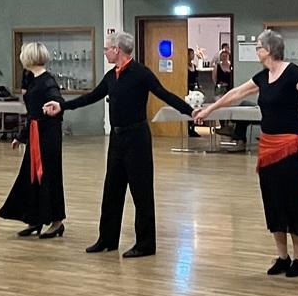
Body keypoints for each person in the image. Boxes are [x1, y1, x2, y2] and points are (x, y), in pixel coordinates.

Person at [193, 29, 298, 278]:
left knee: (294, 201)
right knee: (273, 202)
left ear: (270, 49)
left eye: (259, 46)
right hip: (269, 149)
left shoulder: (293, 72)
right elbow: (236, 93)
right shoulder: (263, 76)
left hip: (291, 149)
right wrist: (210, 109)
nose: (257, 50)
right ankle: (282, 257)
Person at [48, 31, 193, 258]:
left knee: (141, 192)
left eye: (107, 48)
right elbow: (91, 96)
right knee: (112, 190)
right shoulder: (111, 76)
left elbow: (164, 94)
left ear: (117, 50)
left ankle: (145, 245)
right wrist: (62, 106)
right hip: (117, 139)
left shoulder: (141, 73)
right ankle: (107, 239)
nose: (105, 51)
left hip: (137, 139)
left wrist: (192, 112)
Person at [0, 42, 67, 238]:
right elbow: (32, 114)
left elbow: (57, 103)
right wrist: (21, 137)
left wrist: (54, 108)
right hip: (35, 133)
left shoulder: (47, 81)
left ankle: (57, 221)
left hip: (48, 136)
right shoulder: (33, 80)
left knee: (50, 175)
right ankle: (34, 218)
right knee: (31, 176)